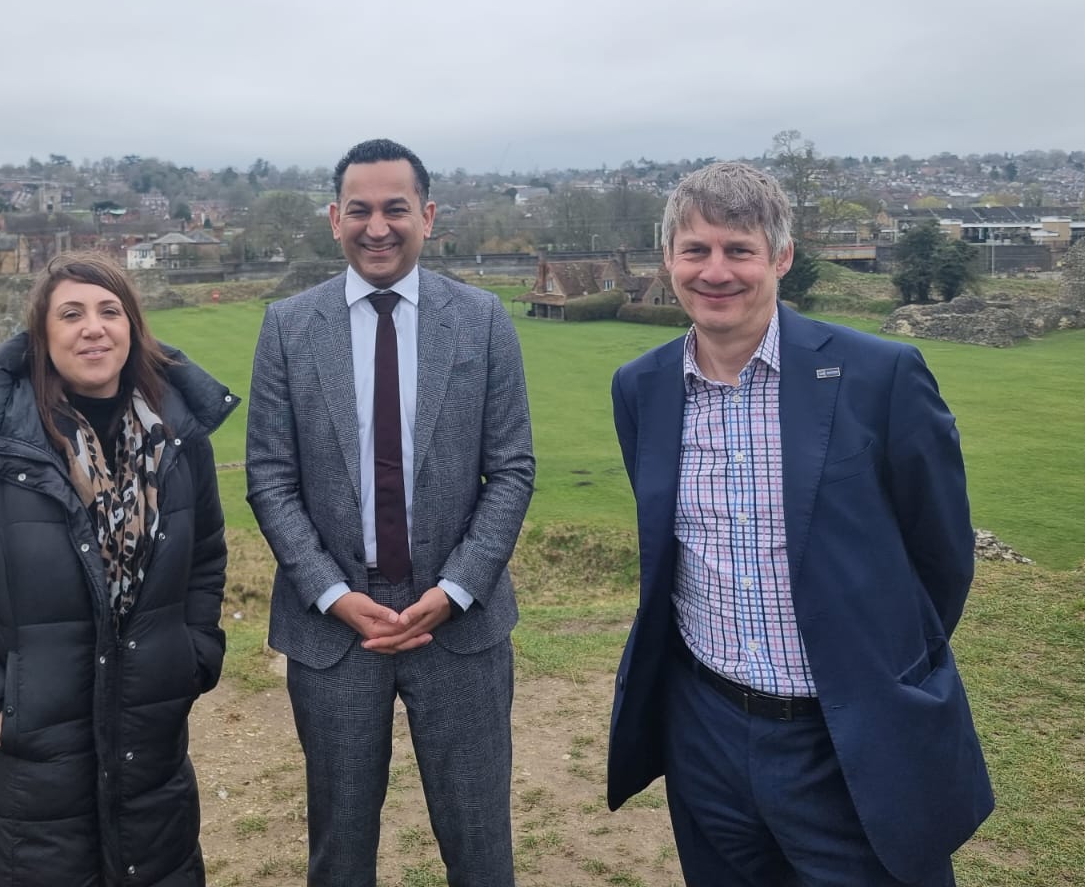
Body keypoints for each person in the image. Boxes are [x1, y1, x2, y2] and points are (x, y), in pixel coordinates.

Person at [607, 161, 993, 887]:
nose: (715, 271)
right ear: (669, 260)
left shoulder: (881, 376)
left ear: (780, 257)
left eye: (739, 250)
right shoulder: (641, 388)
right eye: (695, 250)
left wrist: (879, 672)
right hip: (706, 729)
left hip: (846, 736)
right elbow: (670, 547)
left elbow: (942, 560)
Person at [0, 251, 236, 887]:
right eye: (71, 314)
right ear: (41, 338)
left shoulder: (178, 440)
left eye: (109, 310)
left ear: (133, 327)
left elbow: (205, 556)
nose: (93, 327)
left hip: (147, 755)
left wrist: (194, 655)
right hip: (18, 780)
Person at [246, 138, 535, 887]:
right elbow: (270, 479)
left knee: (480, 844)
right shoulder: (287, 326)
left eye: (396, 209)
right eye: (361, 210)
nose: (378, 227)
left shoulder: (482, 320)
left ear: (428, 216)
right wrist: (336, 596)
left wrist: (456, 591)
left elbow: (511, 471)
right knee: (340, 851)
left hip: (460, 626)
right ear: (334, 218)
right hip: (335, 629)